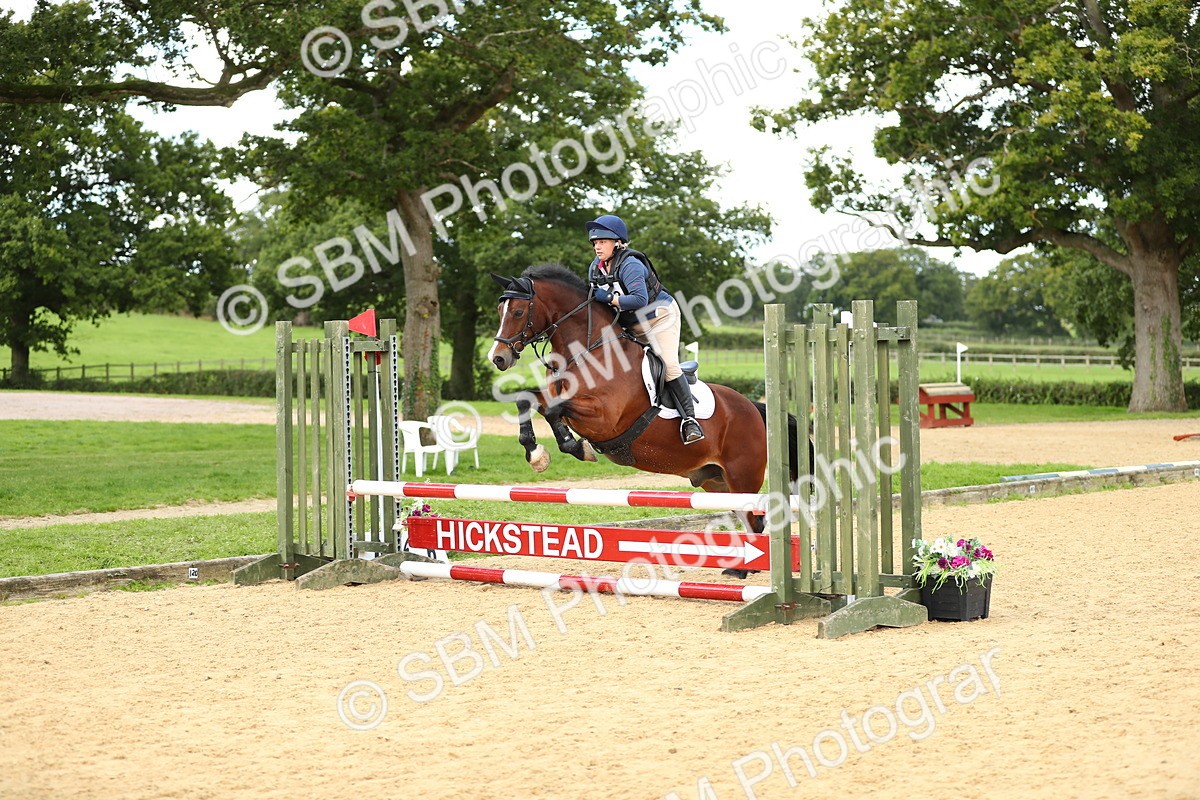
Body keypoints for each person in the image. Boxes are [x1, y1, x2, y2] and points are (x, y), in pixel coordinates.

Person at [584, 214, 703, 444]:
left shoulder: (630, 264)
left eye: (603, 241)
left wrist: (609, 297)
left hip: (660, 318)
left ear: (617, 243)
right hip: (631, 325)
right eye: (595, 243)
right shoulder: (595, 269)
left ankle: (690, 421)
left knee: (667, 364)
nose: (597, 246)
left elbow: (639, 299)